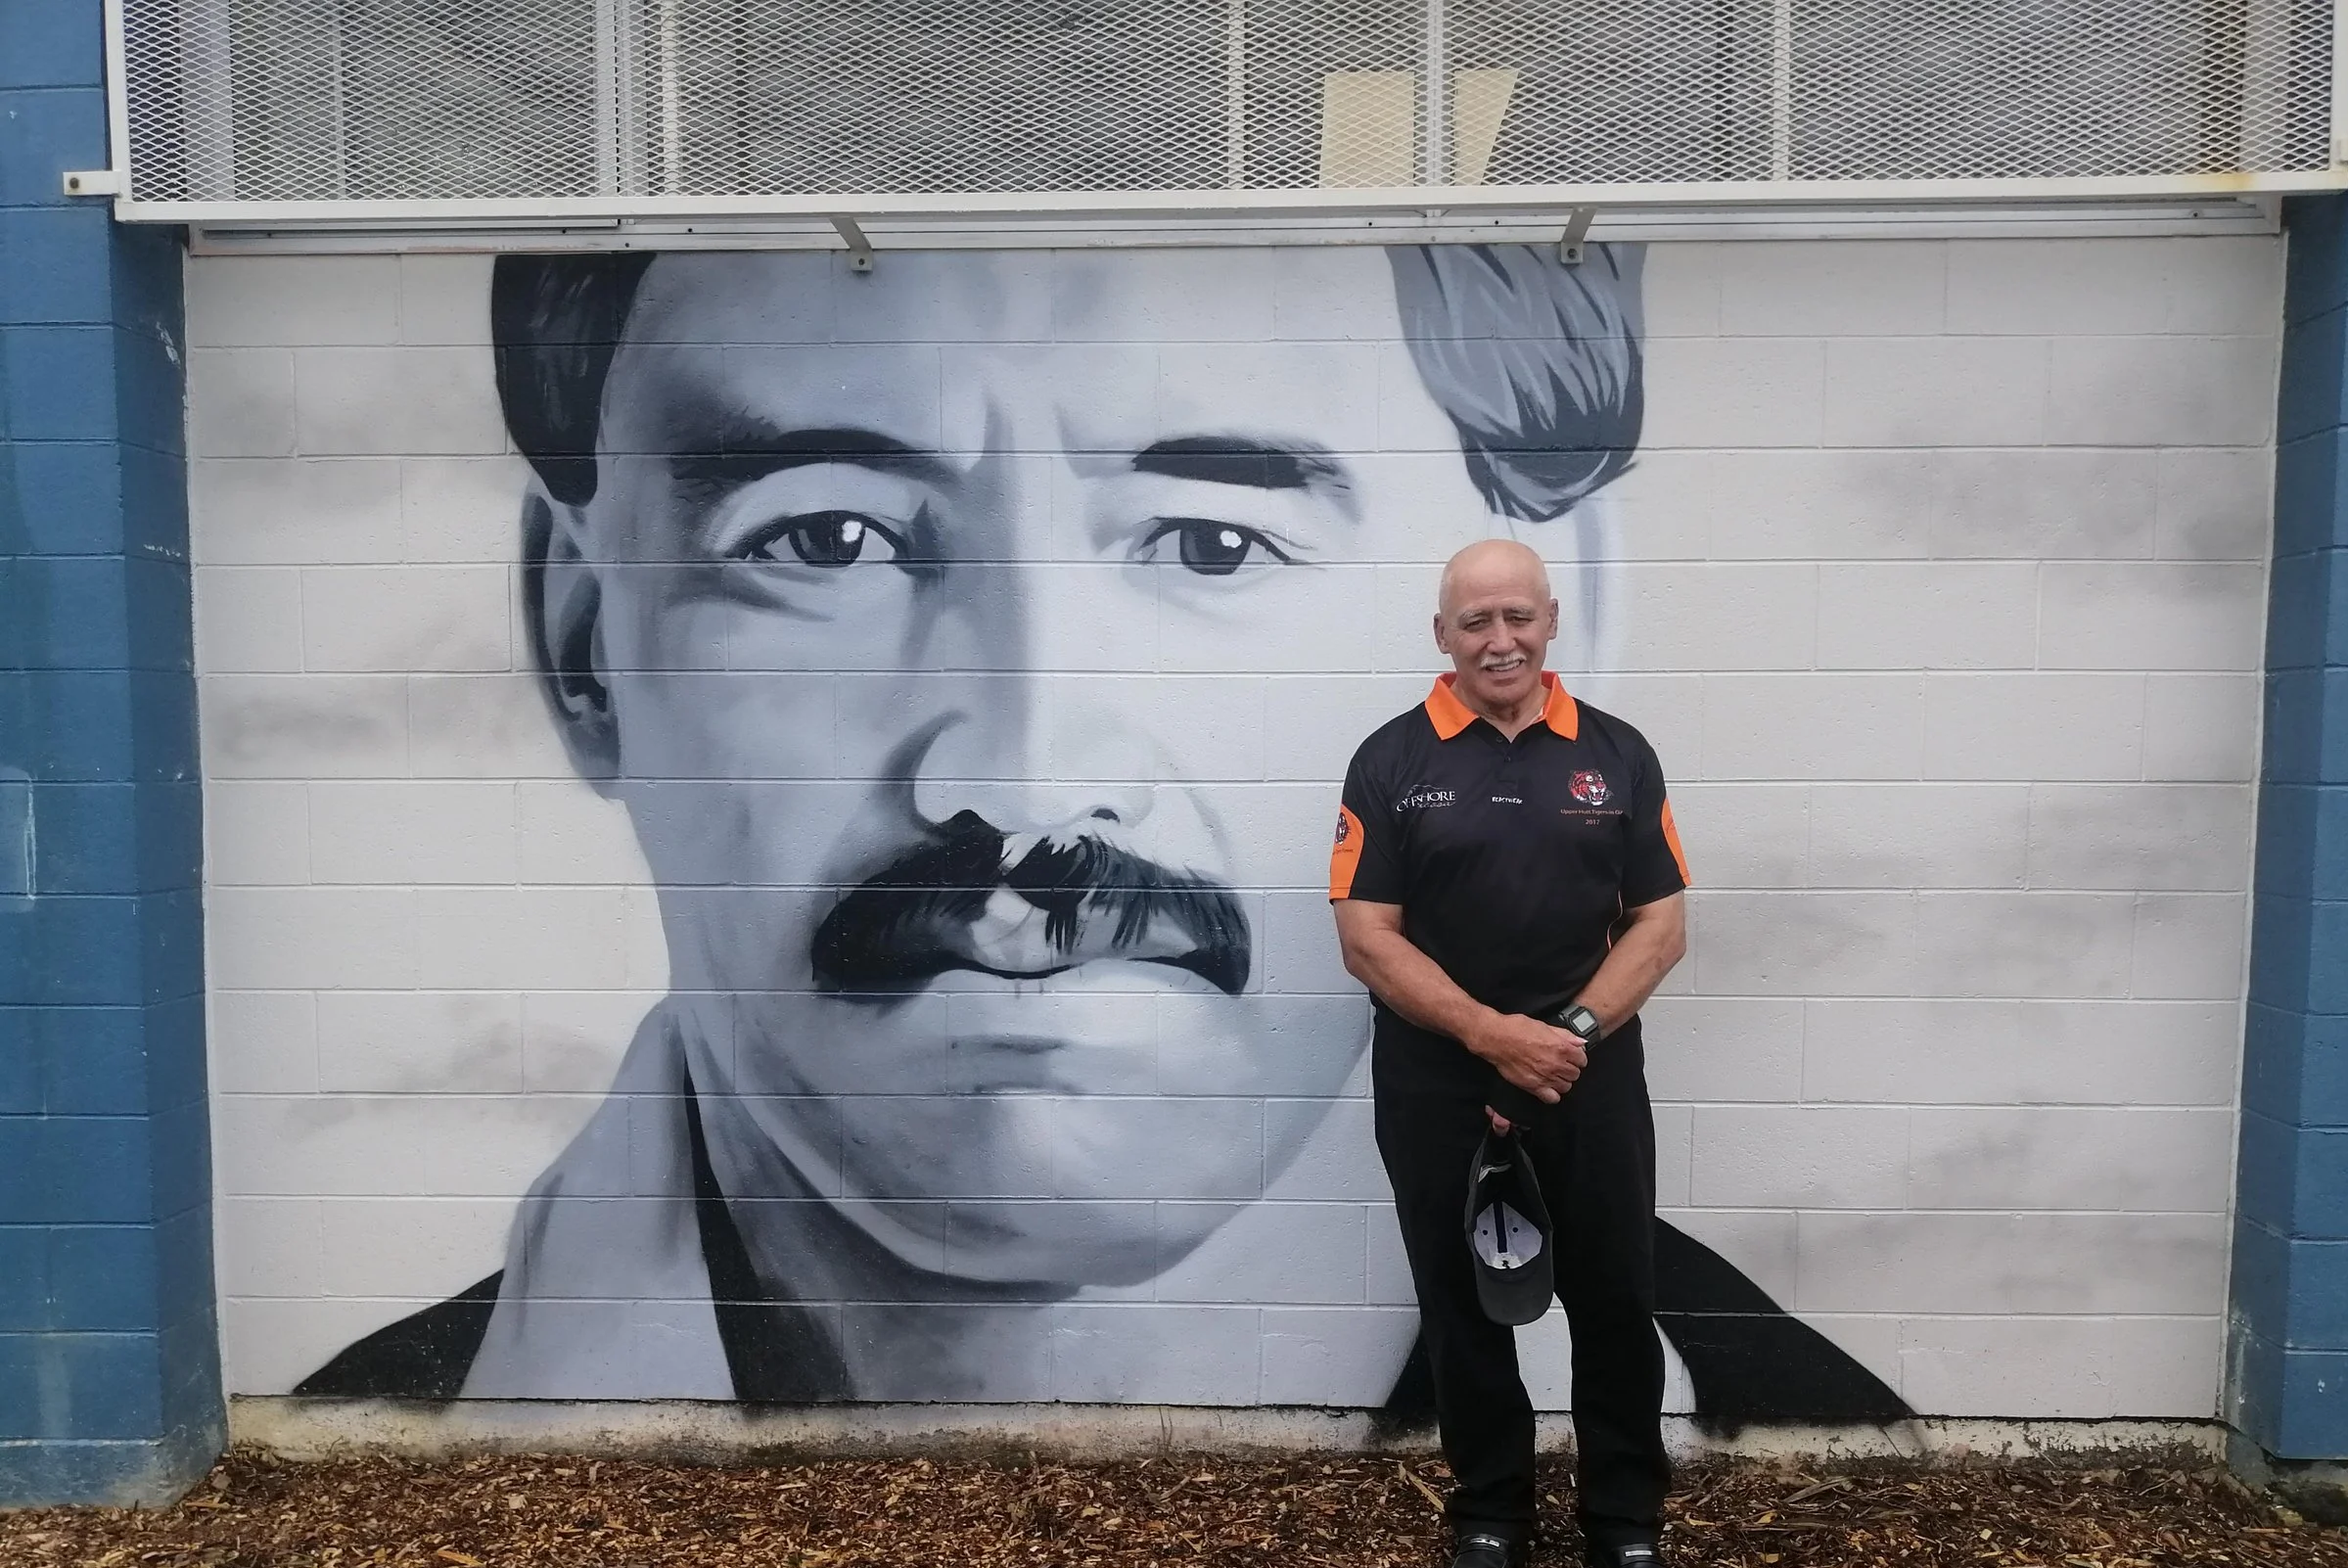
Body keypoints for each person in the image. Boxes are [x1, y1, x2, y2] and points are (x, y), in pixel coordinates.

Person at [298, 242, 1908, 1435]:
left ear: (1534, 648)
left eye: (1215, 544)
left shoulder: (1830, 1456)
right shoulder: (356, 1470)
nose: (1021, 774)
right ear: (582, 640)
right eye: (825, 538)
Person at [1331, 537, 1691, 1568]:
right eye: (1475, 621)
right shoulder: (1390, 761)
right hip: (1437, 1084)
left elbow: (1660, 926)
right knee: (1461, 1309)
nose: (1500, 640)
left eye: (1517, 618)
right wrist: (1494, 1038)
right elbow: (1365, 936)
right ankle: (1490, 1515)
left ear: (1549, 622)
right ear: (1442, 636)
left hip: (1587, 1077)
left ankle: (1624, 1526)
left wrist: (1563, 1037)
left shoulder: (1616, 755)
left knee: (1615, 1302)